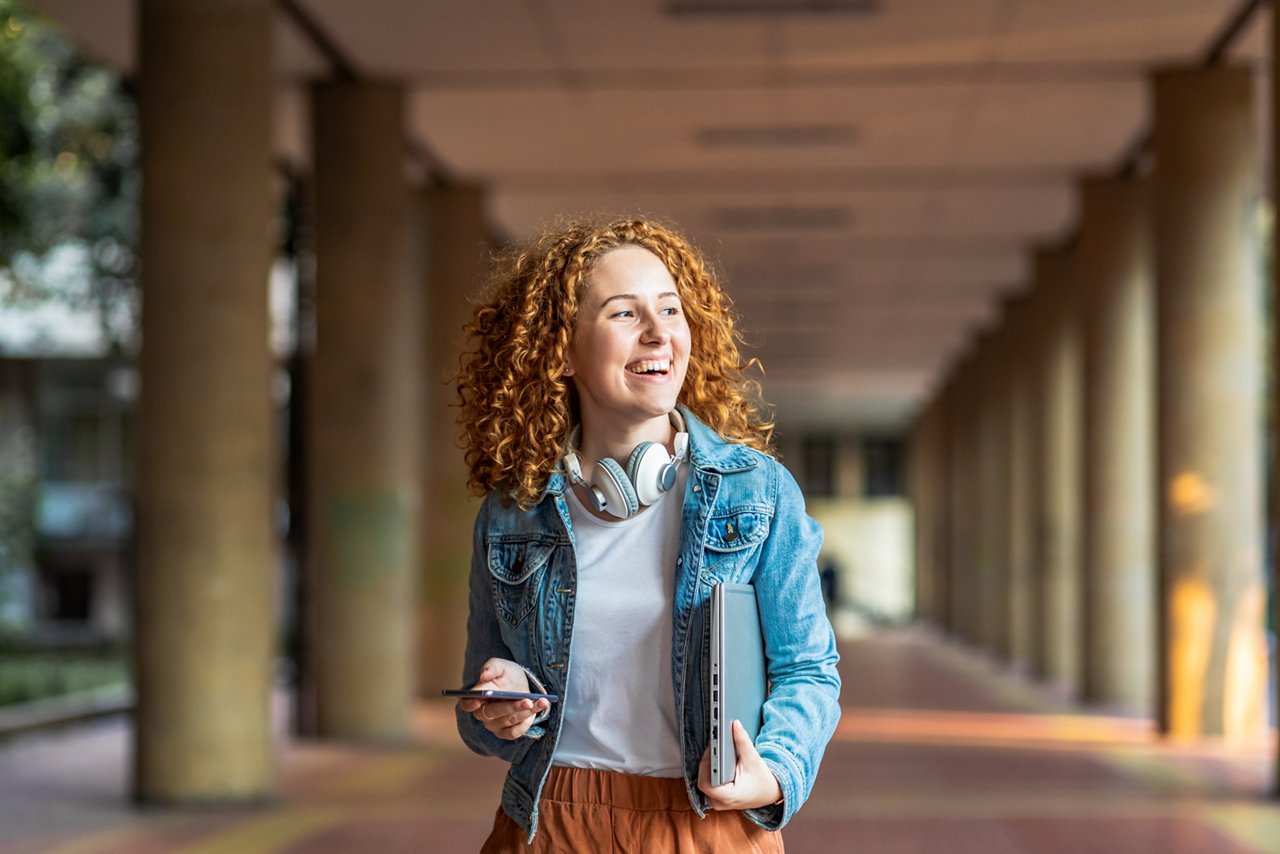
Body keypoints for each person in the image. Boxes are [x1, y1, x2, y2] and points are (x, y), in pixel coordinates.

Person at [452, 217, 841, 852]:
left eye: (670, 310)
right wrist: (504, 705)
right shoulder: (512, 513)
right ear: (562, 349)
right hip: (551, 822)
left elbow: (809, 669)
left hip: (705, 824)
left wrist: (774, 773)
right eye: (625, 314)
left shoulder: (759, 492)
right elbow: (480, 716)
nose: (660, 333)